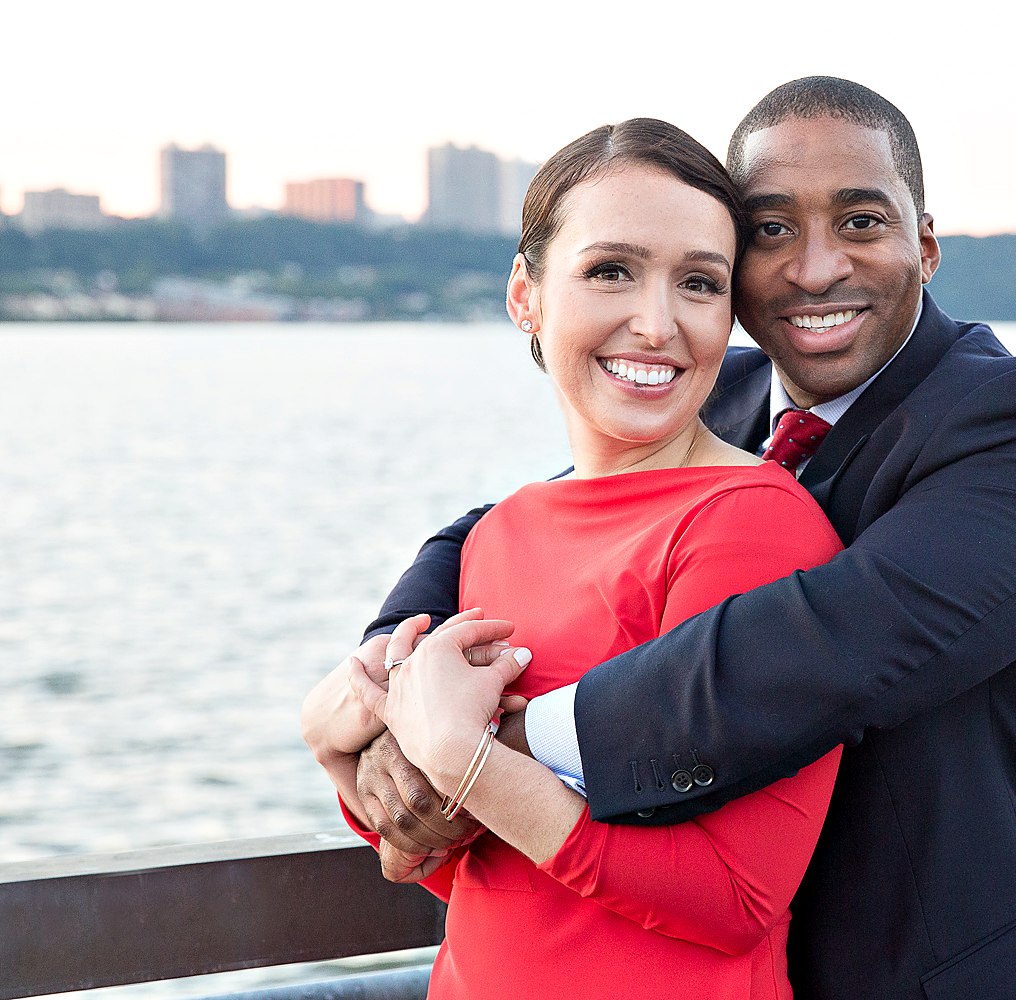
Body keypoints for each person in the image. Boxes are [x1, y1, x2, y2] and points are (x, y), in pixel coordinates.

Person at [356, 78, 1016, 1000]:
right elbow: (515, 524)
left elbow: (826, 648)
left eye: (860, 223)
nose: (814, 269)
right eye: (771, 230)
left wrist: (485, 737)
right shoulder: (720, 395)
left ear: (924, 246)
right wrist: (386, 669)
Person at [302, 118, 844, 1000]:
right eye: (610, 271)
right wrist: (339, 752)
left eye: (699, 283)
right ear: (527, 295)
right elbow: (449, 868)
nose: (657, 323)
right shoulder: (498, 533)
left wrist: (470, 763)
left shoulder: (752, 524)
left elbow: (734, 897)